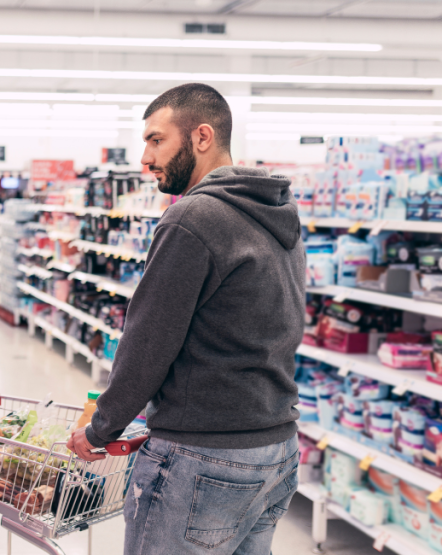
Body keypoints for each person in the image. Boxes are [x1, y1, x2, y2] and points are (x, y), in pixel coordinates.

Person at [66, 83, 305, 555]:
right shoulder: (279, 213)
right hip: (275, 449)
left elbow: (148, 340)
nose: (145, 158)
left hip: (204, 457)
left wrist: (102, 428)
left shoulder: (193, 217)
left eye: (156, 140)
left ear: (200, 137)